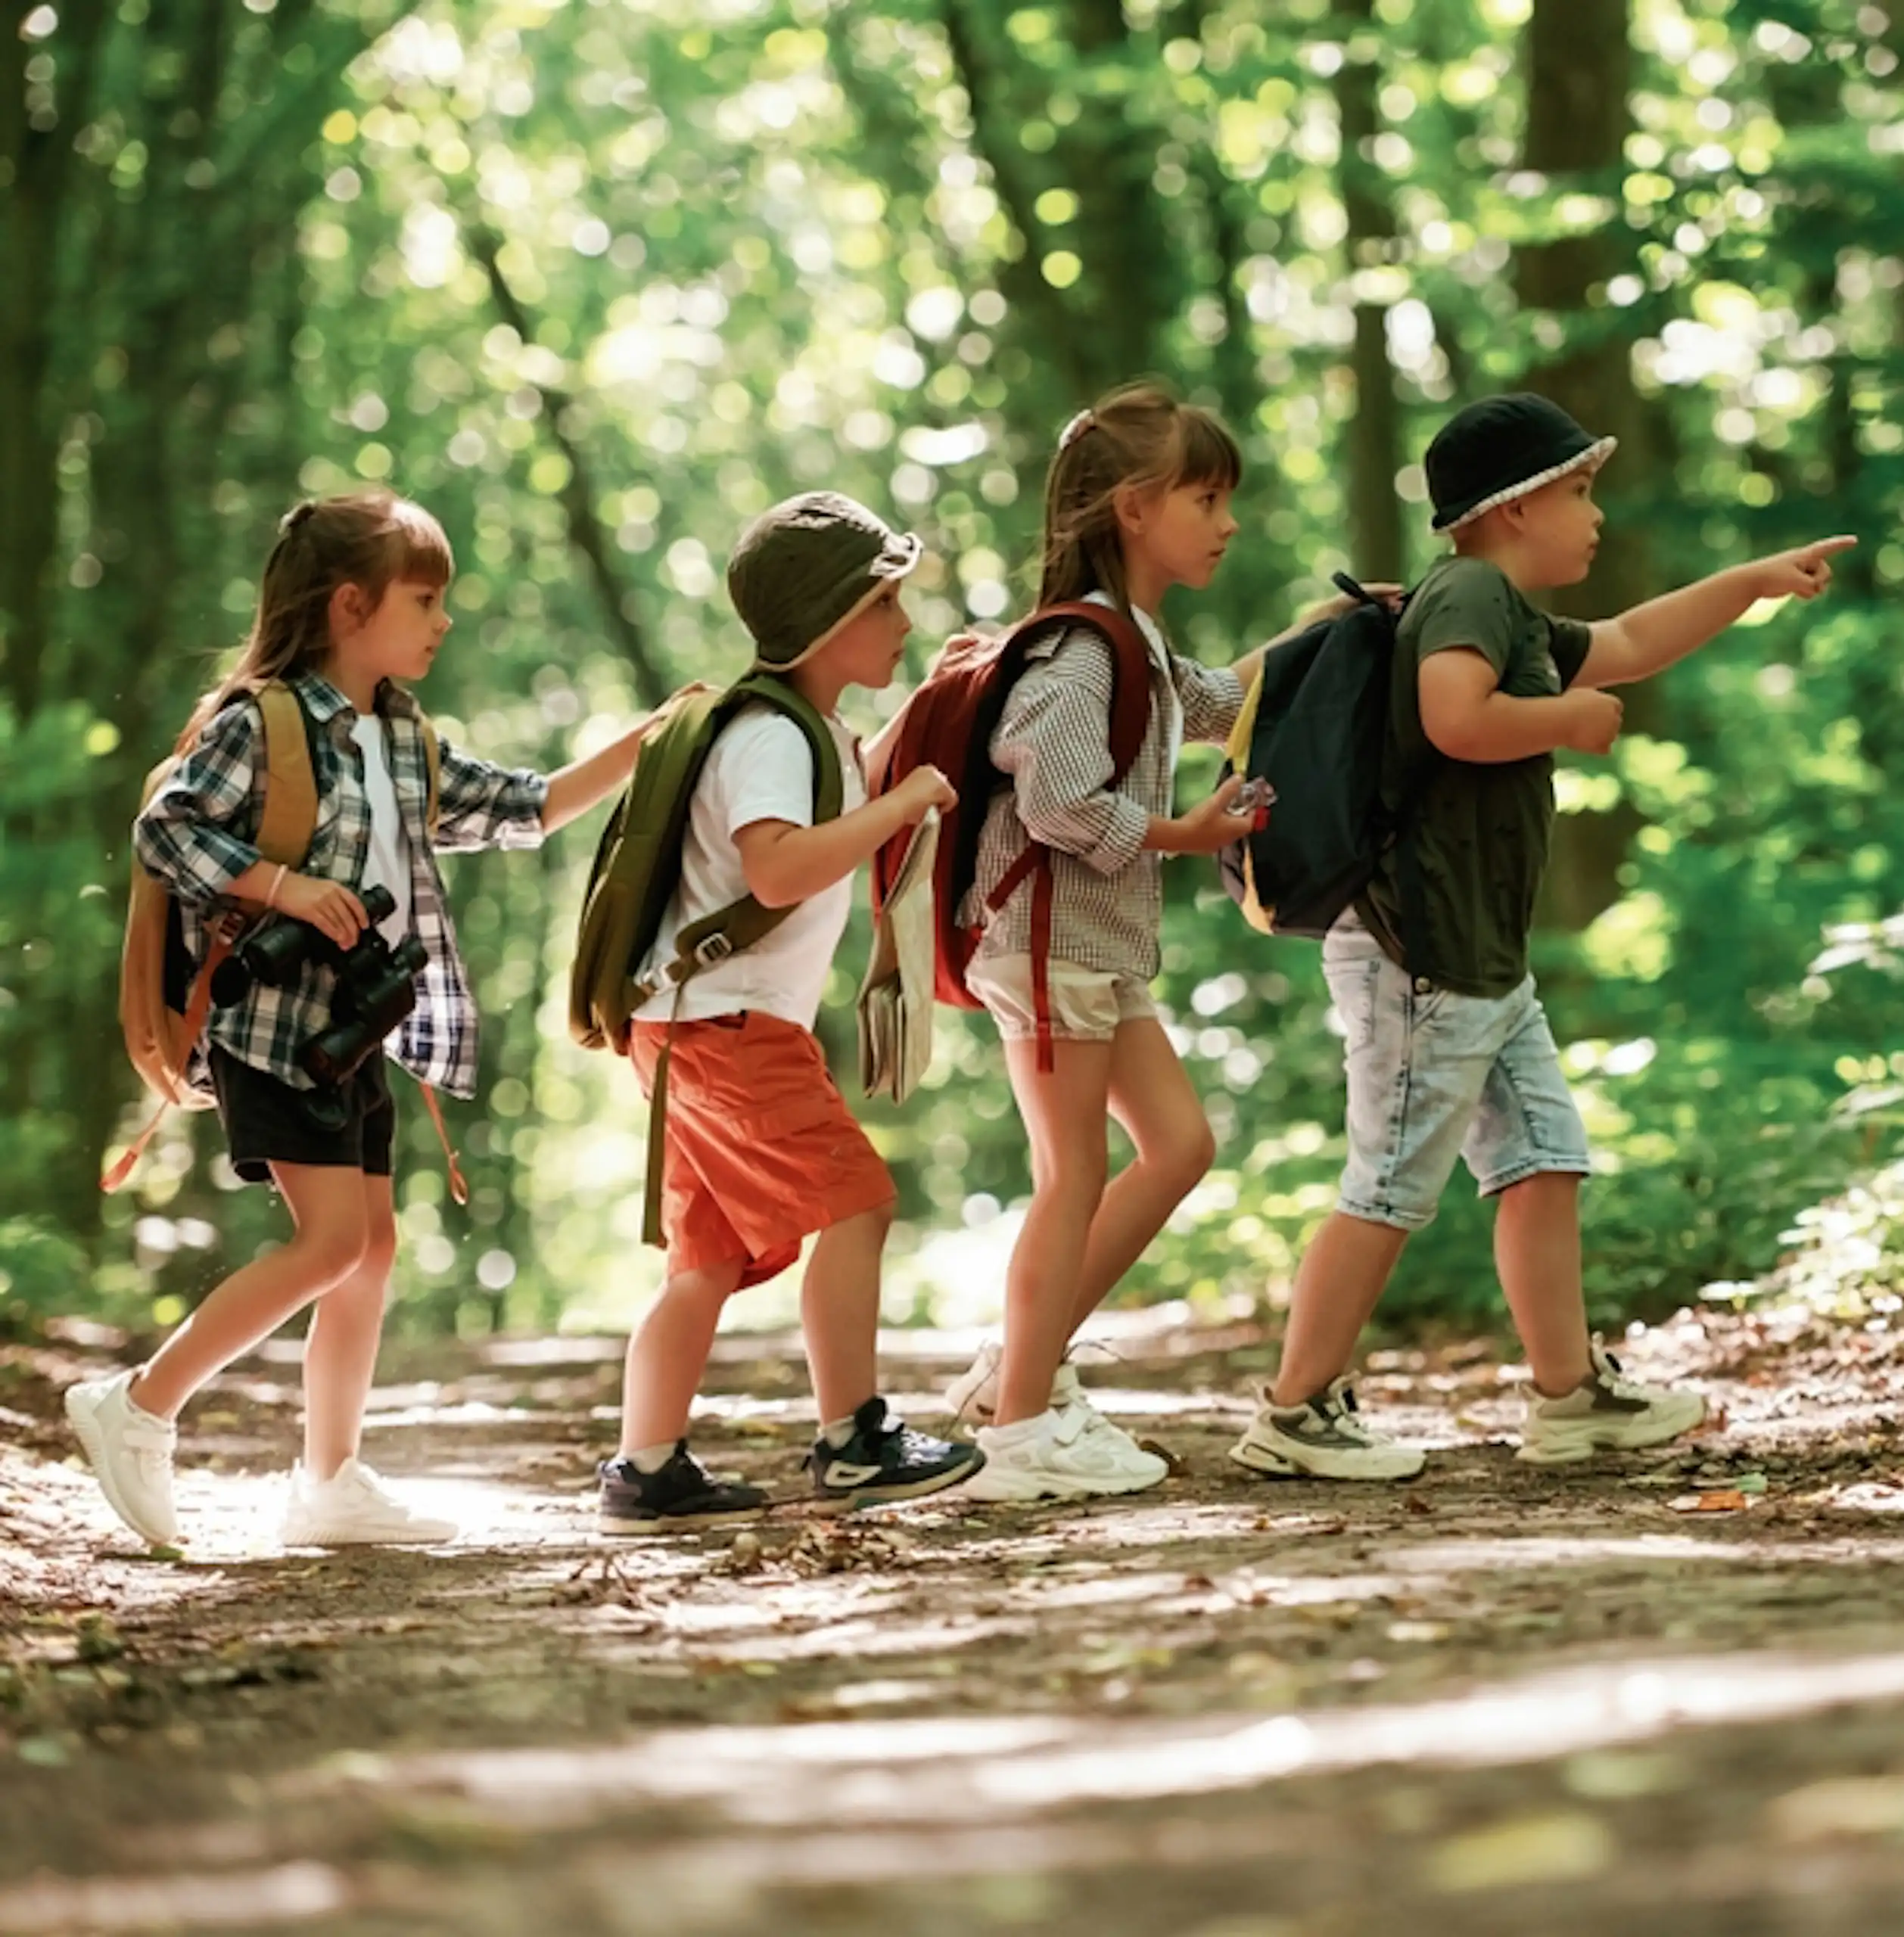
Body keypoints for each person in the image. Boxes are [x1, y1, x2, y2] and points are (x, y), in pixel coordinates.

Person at [1233, 391, 1855, 1478]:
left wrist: (1750, 584)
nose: (1595, 514)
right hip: (1420, 954)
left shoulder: (1504, 608)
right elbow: (1453, 718)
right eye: (1579, 491)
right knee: (1387, 1185)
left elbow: (1623, 642)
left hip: (1477, 960)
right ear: (1514, 508)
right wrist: (1566, 722)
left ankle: (1570, 1398)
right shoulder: (1471, 592)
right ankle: (1293, 1413)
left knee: (1541, 1161)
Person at [69, 488, 652, 1548]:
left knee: (371, 1249)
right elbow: (168, 828)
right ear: (351, 605)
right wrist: (283, 889)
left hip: (353, 1034)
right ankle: (140, 1406)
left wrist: (650, 742)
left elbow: (525, 807)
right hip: (274, 1031)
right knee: (332, 1243)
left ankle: (329, 1481)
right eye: (426, 598)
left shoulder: (399, 737)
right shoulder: (263, 721)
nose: (444, 621)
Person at [600, 490, 984, 1531]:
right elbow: (774, 871)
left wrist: (935, 701)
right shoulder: (771, 739)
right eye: (889, 602)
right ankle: (854, 1438)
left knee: (710, 1258)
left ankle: (648, 1466)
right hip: (727, 1027)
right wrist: (902, 807)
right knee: (856, 1203)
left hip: (687, 1023)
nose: (903, 622)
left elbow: (845, 786)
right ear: (833, 618)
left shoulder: (805, 727)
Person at [942, 381, 1273, 1503]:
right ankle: (1022, 1429)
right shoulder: (1083, 654)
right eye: (1207, 497)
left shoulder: (1139, 639)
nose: (1227, 523)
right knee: (1072, 1174)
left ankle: (1014, 1374)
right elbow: (1058, 805)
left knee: (1177, 1146)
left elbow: (1222, 705)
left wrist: (1335, 636)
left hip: (1097, 951)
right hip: (1047, 946)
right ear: (1135, 508)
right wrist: (1184, 833)